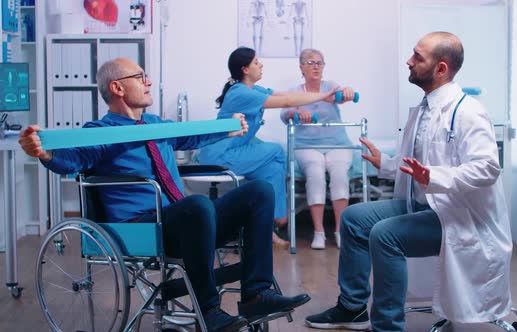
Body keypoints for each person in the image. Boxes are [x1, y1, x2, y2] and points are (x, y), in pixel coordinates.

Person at [19, 58, 311, 332]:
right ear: (117, 87)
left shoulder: (157, 124)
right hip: (143, 228)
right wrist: (44, 152)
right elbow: (72, 160)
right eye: (140, 77)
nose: (148, 82)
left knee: (260, 191)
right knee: (196, 205)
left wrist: (227, 128)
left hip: (187, 223)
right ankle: (209, 311)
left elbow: (192, 135)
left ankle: (257, 295)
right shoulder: (99, 132)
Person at [305, 32, 512, 331]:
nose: (409, 61)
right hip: (426, 204)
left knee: (386, 235)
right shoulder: (425, 109)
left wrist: (435, 176)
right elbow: (416, 164)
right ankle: (352, 308)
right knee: (353, 218)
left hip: (461, 217)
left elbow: (488, 168)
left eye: (418, 57)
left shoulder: (468, 112)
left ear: (441, 69)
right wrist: (386, 164)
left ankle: (387, 326)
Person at [199, 47, 344, 248]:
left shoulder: (252, 89)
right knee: (277, 151)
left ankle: (267, 229)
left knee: (273, 169)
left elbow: (285, 94)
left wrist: (322, 95)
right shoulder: (240, 92)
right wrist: (322, 96)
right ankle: (279, 216)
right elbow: (287, 101)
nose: (261, 65)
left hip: (233, 152)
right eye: (256, 62)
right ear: (245, 69)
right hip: (219, 155)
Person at [280, 48, 356, 250]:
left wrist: (346, 92)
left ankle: (340, 231)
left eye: (319, 63)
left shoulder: (330, 87)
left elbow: (340, 95)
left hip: (337, 143)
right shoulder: (295, 92)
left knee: (339, 174)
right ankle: (319, 232)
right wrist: (295, 112)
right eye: (311, 63)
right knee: (315, 172)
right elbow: (284, 115)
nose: (316, 66)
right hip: (307, 145)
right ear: (301, 67)